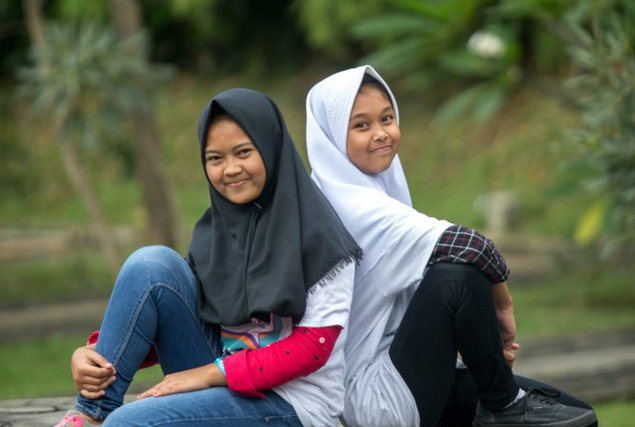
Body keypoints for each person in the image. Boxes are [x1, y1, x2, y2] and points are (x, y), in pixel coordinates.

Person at [305, 65, 598, 427]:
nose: (381, 134)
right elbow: (469, 246)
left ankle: (503, 401)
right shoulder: (344, 202)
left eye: (387, 118)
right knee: (457, 276)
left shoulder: (367, 189)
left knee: (577, 414)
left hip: (405, 369)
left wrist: (469, 342)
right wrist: (503, 312)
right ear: (331, 135)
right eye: (361, 125)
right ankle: (504, 402)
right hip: (372, 397)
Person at [55, 88, 362, 427]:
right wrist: (93, 355)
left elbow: (312, 348)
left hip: (292, 404)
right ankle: (90, 414)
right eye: (215, 158)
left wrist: (207, 374)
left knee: (131, 423)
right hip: (222, 375)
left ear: (272, 147)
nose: (230, 169)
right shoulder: (216, 230)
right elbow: (172, 317)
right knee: (152, 266)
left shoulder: (321, 236)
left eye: (243, 152)